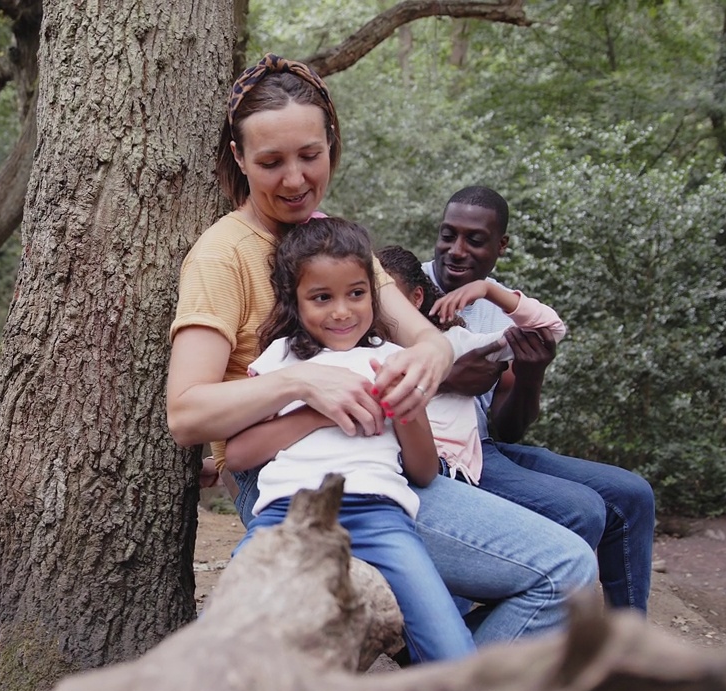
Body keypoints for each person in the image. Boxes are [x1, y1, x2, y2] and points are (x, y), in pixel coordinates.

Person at [166, 54, 596, 647]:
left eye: (309, 156)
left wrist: (425, 364)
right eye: (271, 162)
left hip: (389, 466)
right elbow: (186, 413)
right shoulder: (222, 257)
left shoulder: (332, 241)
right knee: (562, 570)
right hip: (289, 479)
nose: (294, 179)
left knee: (570, 567)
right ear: (239, 159)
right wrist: (302, 386)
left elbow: (421, 336)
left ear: (332, 144)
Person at [229, 217, 475, 663]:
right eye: (322, 297)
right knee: (224, 636)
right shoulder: (280, 361)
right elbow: (239, 455)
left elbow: (423, 470)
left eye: (356, 294)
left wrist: (409, 411)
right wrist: (315, 413)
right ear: (295, 300)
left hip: (380, 517)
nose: (342, 311)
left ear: (373, 293)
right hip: (286, 516)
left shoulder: (393, 360)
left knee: (450, 646)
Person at [424, 185, 656, 612]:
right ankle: (533, 629)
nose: (456, 250)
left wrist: (532, 375)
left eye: (474, 239)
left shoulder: (503, 306)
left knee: (633, 494)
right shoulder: (405, 289)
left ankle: (625, 646)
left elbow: (507, 426)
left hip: (485, 447)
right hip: (436, 451)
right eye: (447, 235)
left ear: (501, 245)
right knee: (581, 509)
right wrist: (447, 378)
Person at [376, 245, 566, 486]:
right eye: (369, 297)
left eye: (390, 299)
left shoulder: (455, 342)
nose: (379, 309)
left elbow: (549, 331)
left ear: (417, 298)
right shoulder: (362, 348)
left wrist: (490, 291)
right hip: (392, 463)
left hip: (449, 468)